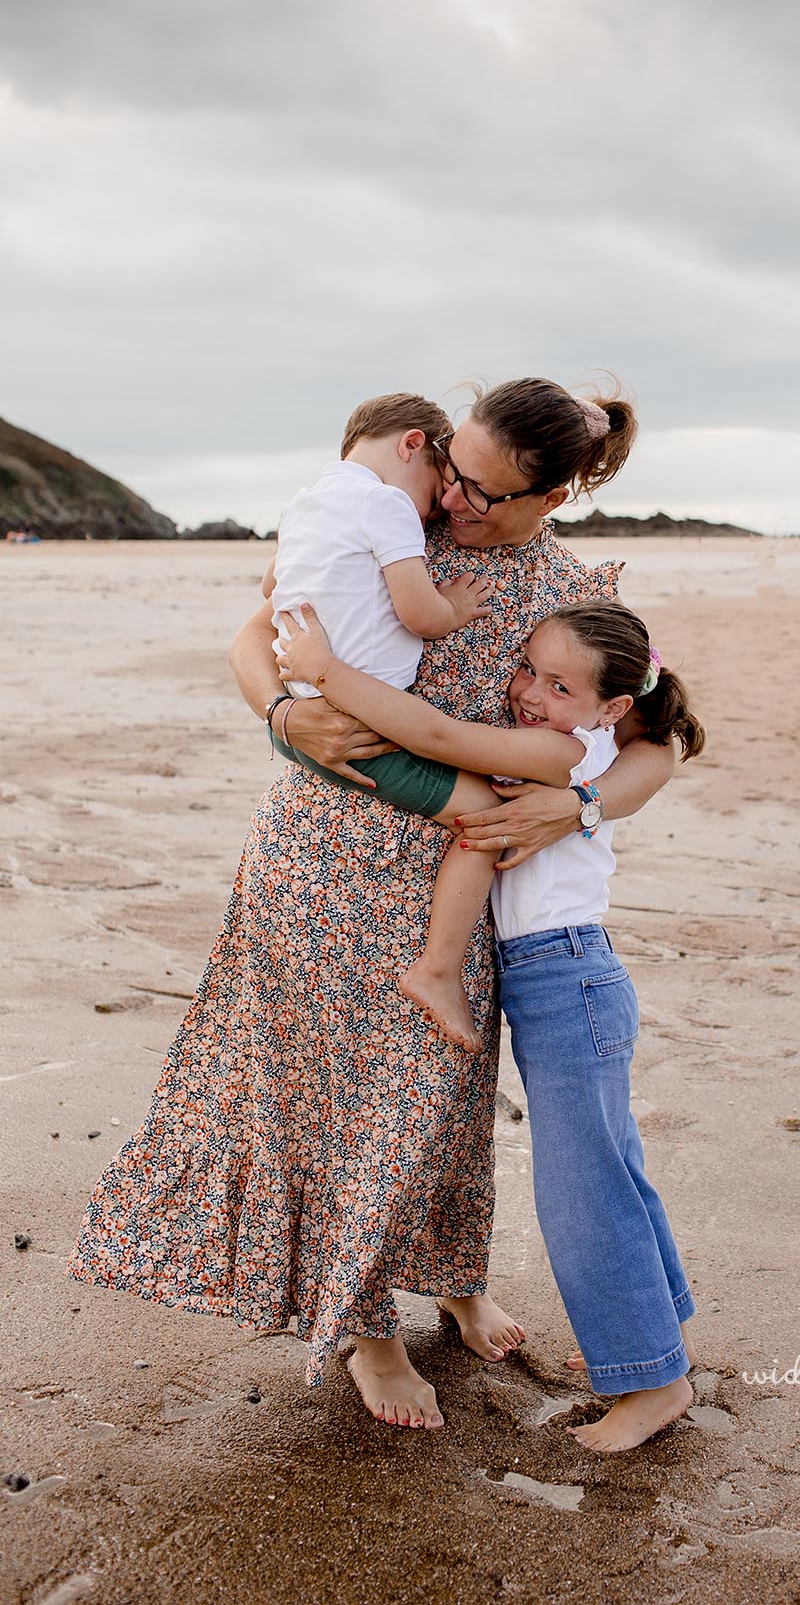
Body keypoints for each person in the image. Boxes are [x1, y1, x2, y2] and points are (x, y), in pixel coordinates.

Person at [69, 378, 676, 1432]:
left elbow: (658, 744)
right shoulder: (385, 525)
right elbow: (253, 639)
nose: (454, 501)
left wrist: (572, 811)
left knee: (438, 1094)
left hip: (456, 871)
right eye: (451, 472)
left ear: (560, 495)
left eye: (485, 493)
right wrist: (283, 711)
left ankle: (452, 1274)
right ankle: (367, 1327)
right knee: (335, 1093)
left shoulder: (576, 593)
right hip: (320, 852)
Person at [275, 596, 705, 1452]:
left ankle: (655, 1384)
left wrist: (325, 673)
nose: (528, 692)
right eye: (526, 670)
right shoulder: (592, 744)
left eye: (556, 683)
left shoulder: (563, 751)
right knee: (612, 1167)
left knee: (583, 1188)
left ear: (612, 708)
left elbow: (436, 737)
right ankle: (659, 1341)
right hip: (568, 977)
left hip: (566, 975)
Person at [267, 390, 506, 1054]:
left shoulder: (305, 501)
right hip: (364, 731)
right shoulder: (386, 502)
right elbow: (420, 616)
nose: (439, 506)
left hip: (305, 714)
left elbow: (271, 590)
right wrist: (453, 606)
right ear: (412, 445)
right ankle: (437, 972)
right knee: (484, 817)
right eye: (440, 484)